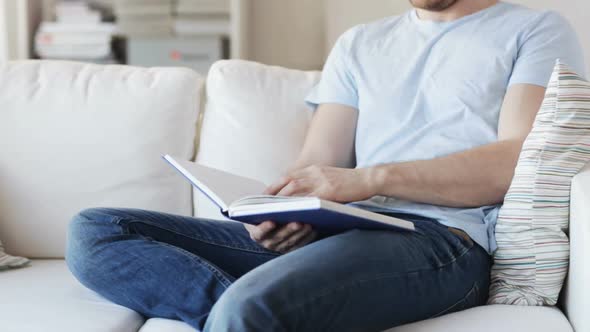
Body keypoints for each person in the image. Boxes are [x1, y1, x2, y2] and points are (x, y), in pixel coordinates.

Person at [65, 0, 586, 331]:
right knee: (99, 231)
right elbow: (320, 163)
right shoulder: (360, 43)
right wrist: (291, 212)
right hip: (345, 232)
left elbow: (511, 161)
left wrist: (368, 180)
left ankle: (252, 315)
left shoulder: (534, 29)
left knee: (252, 308)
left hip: (444, 241)